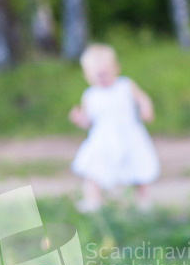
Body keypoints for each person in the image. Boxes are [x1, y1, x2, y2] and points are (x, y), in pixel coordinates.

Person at [69, 44, 160, 212]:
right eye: (97, 75)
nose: (102, 78)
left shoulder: (126, 85)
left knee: (139, 167)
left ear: (116, 68)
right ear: (87, 76)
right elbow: (88, 122)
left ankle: (143, 200)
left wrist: (146, 108)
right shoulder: (90, 95)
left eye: (105, 73)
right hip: (102, 140)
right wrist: (80, 118)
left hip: (130, 135)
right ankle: (93, 200)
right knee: (93, 170)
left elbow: (143, 98)